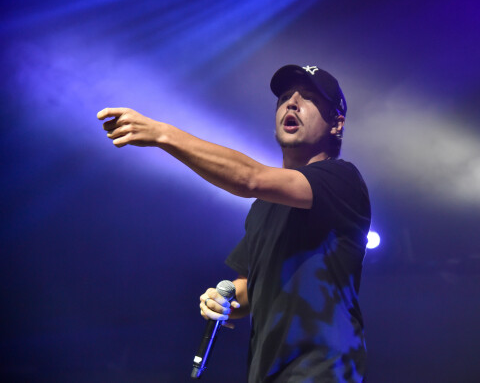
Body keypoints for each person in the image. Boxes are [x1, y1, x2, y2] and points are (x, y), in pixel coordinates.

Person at [98, 64, 371, 382]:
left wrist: (163, 134)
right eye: (284, 97)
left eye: (308, 98)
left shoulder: (343, 179)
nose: (291, 103)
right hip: (267, 372)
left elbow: (250, 178)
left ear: (337, 124)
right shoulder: (264, 207)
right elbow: (247, 291)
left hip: (324, 369)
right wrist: (224, 301)